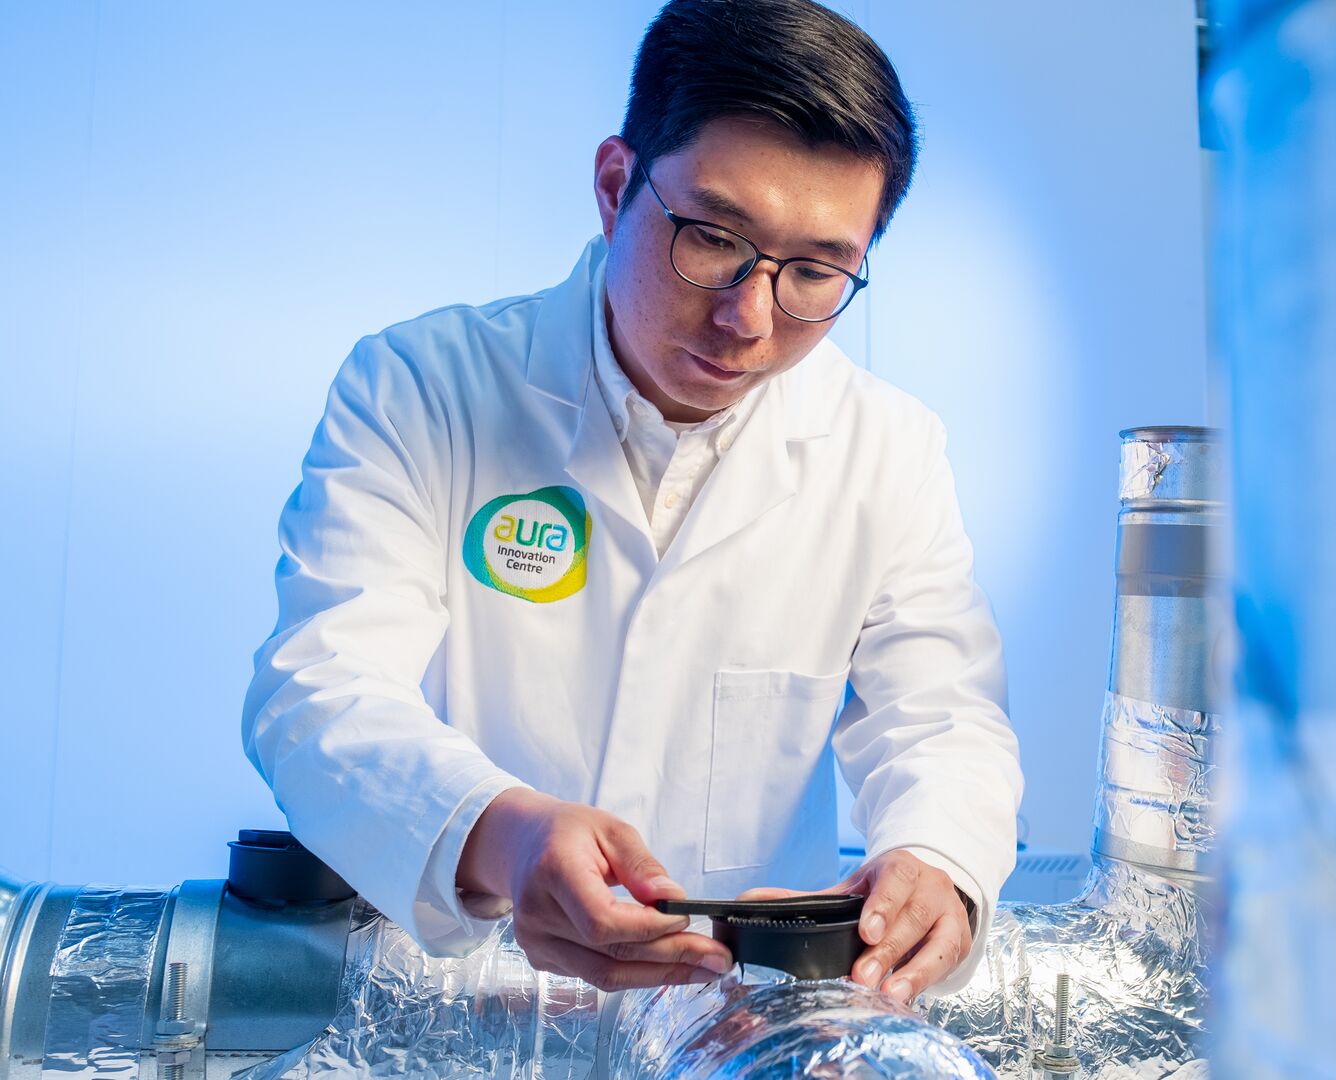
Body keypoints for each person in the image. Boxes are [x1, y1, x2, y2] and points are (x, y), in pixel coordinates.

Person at [241, 0, 1021, 1002]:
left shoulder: (889, 449)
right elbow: (318, 691)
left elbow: (942, 715)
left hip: (737, 1027)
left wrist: (937, 861)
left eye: (817, 273)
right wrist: (504, 834)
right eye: (711, 239)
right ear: (615, 187)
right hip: (462, 1016)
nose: (748, 316)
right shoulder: (421, 387)